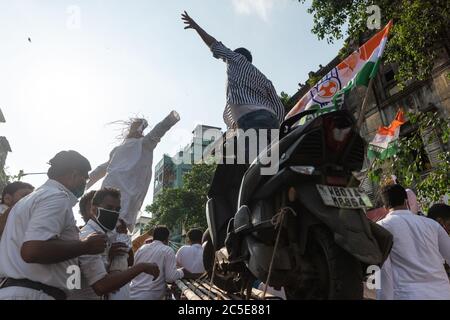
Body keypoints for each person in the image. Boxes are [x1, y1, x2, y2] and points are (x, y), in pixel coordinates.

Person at [0, 151, 159, 300]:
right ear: (74, 175)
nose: (85, 183)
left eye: (117, 209)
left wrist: (104, 261)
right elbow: (31, 251)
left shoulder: (29, 201)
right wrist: (86, 246)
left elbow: (72, 279)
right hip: (34, 293)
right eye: (85, 178)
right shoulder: (57, 197)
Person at [181, 11, 284, 134]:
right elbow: (279, 107)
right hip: (271, 120)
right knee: (269, 153)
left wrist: (196, 27)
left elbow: (215, 45)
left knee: (252, 153)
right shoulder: (264, 79)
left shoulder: (235, 58)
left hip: (251, 119)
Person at [86, 111, 180, 232]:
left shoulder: (142, 144)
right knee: (115, 221)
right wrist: (170, 119)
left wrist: (85, 182)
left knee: (109, 220)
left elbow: (100, 170)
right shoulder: (128, 147)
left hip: (117, 190)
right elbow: (102, 169)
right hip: (122, 191)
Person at [69, 188, 148, 300]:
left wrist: (122, 238)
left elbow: (128, 261)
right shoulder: (88, 237)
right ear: (93, 210)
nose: (114, 213)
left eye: (117, 209)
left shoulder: (108, 235)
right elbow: (101, 286)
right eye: (109, 208)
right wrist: (142, 267)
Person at [376, 184, 450, 300]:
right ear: (406, 201)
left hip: (407, 295)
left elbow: (383, 271)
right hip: (442, 293)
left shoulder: (381, 228)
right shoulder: (432, 225)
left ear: (385, 207)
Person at [130, 226, 200, 300]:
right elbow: (170, 277)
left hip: (131, 293)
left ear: (153, 237)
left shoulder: (141, 249)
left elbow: (134, 268)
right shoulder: (167, 250)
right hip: (150, 296)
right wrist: (182, 271)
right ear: (167, 238)